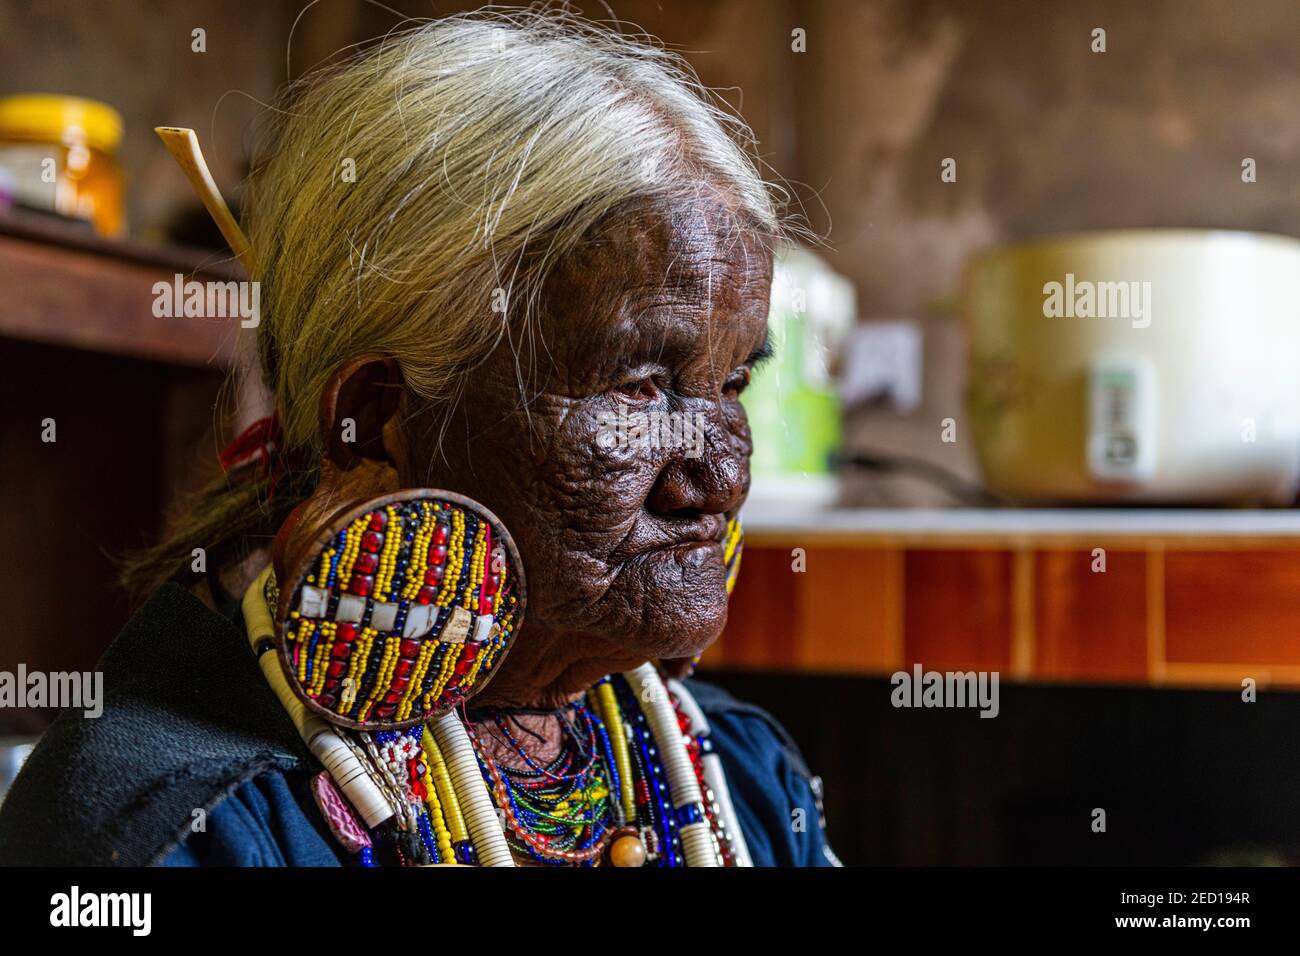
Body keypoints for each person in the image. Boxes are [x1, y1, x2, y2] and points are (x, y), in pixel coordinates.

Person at [0, 11, 836, 867]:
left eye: (733, 383)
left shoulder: (738, 776)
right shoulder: (185, 830)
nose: (720, 477)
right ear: (371, 424)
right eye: (641, 386)